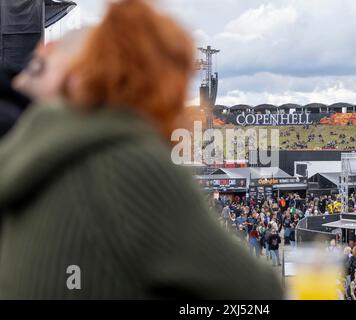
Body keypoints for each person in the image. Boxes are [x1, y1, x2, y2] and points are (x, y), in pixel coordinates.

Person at [0, 0, 282, 300]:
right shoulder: (127, 162)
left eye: (54, 50)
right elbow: (258, 290)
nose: (44, 48)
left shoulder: (23, 143)